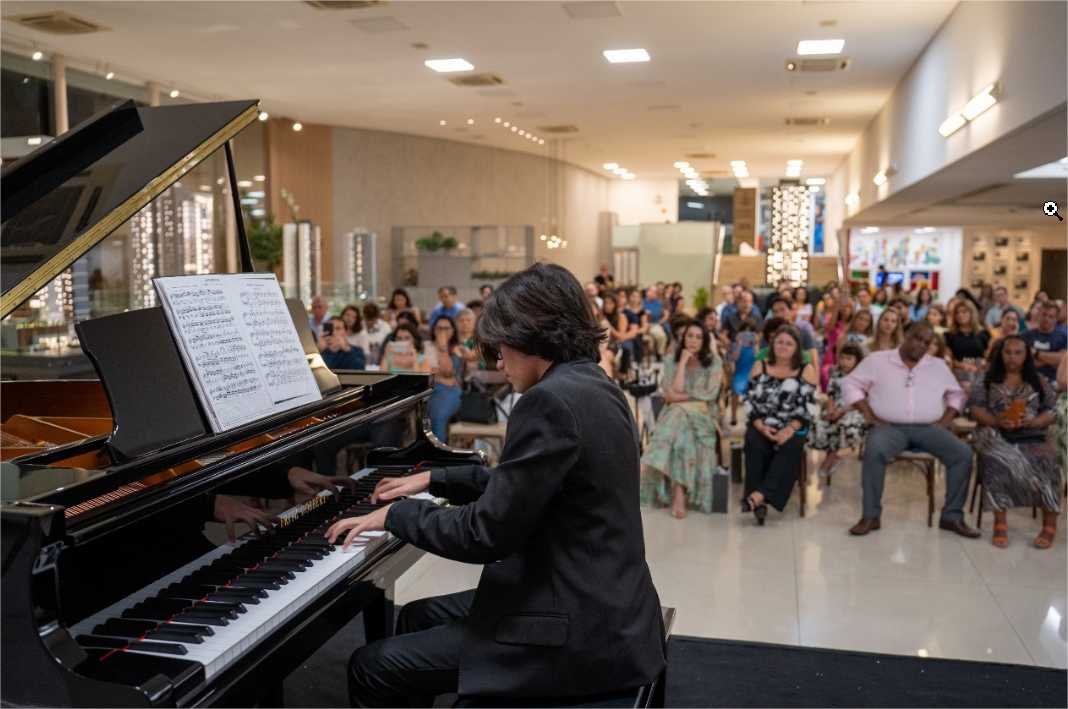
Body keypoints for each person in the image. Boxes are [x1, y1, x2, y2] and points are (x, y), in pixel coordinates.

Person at [331, 263, 666, 706]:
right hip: (605, 599)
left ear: (534, 335)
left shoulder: (548, 401)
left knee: (373, 667)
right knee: (415, 615)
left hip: (575, 628)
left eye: (502, 345)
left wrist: (397, 515)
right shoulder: (592, 383)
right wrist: (436, 478)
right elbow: (525, 484)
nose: (496, 360)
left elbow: (484, 534)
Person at [841, 322, 979, 538]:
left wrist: (945, 421)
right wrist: (867, 413)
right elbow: (850, 383)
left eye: (927, 342)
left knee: (962, 454)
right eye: (917, 338)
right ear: (905, 334)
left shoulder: (938, 366)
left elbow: (956, 394)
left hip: (928, 429)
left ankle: (952, 517)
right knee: (874, 450)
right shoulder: (878, 360)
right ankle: (870, 516)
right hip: (889, 428)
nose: (921, 345)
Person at [969, 336, 1061, 549]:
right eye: (1008, 352)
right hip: (993, 432)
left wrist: (1036, 421)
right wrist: (996, 420)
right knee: (997, 457)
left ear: (1026, 355)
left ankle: (1049, 525)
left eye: (1018, 352)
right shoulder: (986, 380)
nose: (1012, 357)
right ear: (1000, 354)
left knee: (1049, 460)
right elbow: (974, 408)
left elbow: (1054, 410)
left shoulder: (1038, 380)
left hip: (1030, 433)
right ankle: (1000, 523)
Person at [641, 321, 723, 517]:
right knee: (682, 431)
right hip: (678, 414)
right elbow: (671, 393)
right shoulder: (672, 360)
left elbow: (709, 394)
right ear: (683, 338)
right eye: (689, 336)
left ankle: (649, 466)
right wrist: (683, 362)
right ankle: (679, 490)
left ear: (704, 341)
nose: (693, 340)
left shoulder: (714, 362)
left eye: (698, 337)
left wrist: (679, 398)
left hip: (703, 413)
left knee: (677, 414)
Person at [742, 325, 818, 524]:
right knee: (754, 441)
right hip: (762, 421)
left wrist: (790, 428)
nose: (783, 346)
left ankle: (758, 496)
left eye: (789, 343)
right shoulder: (761, 365)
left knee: (791, 444)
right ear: (772, 344)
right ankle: (760, 500)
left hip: (794, 424)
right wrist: (760, 425)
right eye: (779, 342)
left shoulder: (806, 369)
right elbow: (749, 399)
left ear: (797, 348)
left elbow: (809, 406)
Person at [811, 343, 867, 477]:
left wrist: (841, 411)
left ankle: (836, 455)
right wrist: (830, 409)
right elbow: (830, 393)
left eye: (849, 359)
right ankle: (832, 454)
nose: (844, 362)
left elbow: (861, 400)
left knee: (846, 423)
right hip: (836, 407)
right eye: (842, 358)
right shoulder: (836, 373)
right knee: (821, 423)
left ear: (857, 360)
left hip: (854, 408)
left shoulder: (862, 376)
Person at [426, 314, 464, 442]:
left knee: (437, 415)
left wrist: (443, 348)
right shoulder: (426, 346)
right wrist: (438, 377)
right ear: (433, 330)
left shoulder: (457, 349)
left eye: (446, 328)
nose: (442, 331)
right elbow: (422, 371)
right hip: (426, 390)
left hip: (449, 391)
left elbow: (448, 373)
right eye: (439, 328)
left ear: (453, 331)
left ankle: (438, 453)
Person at [945, 300, 991, 390]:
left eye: (964, 311)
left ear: (972, 313)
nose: (960, 315)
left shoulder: (984, 334)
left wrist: (981, 364)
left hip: (979, 374)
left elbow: (988, 357)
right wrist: (963, 365)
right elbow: (949, 359)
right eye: (957, 312)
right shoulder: (949, 335)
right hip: (958, 375)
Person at [1022, 300, 1067, 383]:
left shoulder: (1064, 337)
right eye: (1044, 315)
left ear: (1056, 319)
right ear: (1039, 315)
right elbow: (1023, 361)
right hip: (1028, 380)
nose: (1046, 318)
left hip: (1054, 382)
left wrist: (1036, 353)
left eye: (1051, 316)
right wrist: (1051, 360)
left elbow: (1063, 359)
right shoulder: (1026, 336)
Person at [729, 320, 758, 426]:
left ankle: (751, 417)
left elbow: (757, 357)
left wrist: (754, 344)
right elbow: (734, 358)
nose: (747, 335)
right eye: (744, 332)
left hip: (751, 373)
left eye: (750, 332)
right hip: (739, 373)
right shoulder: (735, 345)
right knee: (735, 394)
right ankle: (733, 416)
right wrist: (739, 345)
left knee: (752, 397)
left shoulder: (755, 347)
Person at [361, 302, 392, 366]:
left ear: (377, 317)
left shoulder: (385, 326)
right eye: (367, 319)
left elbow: (389, 344)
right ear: (364, 316)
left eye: (372, 319)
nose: (370, 322)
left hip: (380, 357)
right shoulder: (359, 325)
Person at [455, 307, 481, 372]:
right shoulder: (452, 340)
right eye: (461, 320)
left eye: (468, 320)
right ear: (455, 323)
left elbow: (475, 355)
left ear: (475, 323)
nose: (465, 323)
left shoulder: (480, 340)